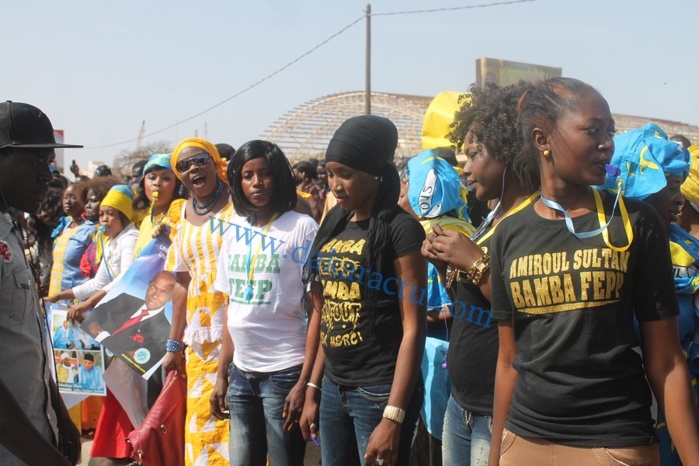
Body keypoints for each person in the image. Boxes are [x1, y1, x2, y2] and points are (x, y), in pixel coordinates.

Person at [487, 77, 699, 466]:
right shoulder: (509, 235)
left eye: (610, 131)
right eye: (593, 130)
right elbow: (508, 360)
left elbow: (667, 362)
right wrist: (499, 453)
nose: (607, 143)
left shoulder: (635, 222)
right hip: (524, 440)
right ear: (542, 139)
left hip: (613, 444)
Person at [299, 115, 427, 466]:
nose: (336, 185)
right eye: (330, 173)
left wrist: (393, 416)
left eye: (346, 173)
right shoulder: (335, 223)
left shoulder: (401, 231)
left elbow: (414, 328)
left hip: (379, 390)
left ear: (375, 173)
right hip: (334, 387)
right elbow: (329, 315)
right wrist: (313, 388)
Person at [421, 82, 537, 466]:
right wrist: (445, 266)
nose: (465, 168)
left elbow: (529, 312)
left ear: (509, 153)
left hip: (499, 408)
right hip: (463, 403)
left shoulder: (534, 221)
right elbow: (473, 308)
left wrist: (474, 263)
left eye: (474, 155)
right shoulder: (492, 216)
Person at [209, 140, 319, 465]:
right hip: (241, 373)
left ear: (279, 178)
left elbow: (318, 312)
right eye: (247, 175)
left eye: (265, 173)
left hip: (284, 373)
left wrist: (304, 383)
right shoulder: (233, 232)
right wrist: (221, 374)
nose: (257, 182)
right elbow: (233, 307)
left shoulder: (301, 228)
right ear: (238, 183)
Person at [600, 124, 694, 466]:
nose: (679, 200)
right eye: (670, 188)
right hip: (636, 417)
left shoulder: (687, 250)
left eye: (680, 188)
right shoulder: (609, 254)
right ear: (636, 189)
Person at [0, 100, 82, 465]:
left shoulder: (11, 225)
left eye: (49, 162)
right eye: (35, 162)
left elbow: (25, 339)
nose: (48, 175)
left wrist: (58, 413)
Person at [163, 137, 235, 465]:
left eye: (200, 160)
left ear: (215, 162)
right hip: (199, 342)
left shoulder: (241, 205)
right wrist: (173, 345)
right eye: (183, 165)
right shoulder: (181, 215)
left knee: (238, 427)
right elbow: (180, 284)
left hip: (239, 332)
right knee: (202, 427)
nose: (193, 168)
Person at [46, 184, 139, 321]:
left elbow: (126, 276)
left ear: (124, 216)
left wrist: (88, 302)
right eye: (101, 214)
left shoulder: (130, 238)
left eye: (111, 214)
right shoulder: (110, 241)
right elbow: (98, 283)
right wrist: (59, 296)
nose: (104, 219)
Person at [131, 152, 186, 258]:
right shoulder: (146, 221)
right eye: (152, 177)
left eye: (166, 178)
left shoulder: (179, 219)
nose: (157, 183)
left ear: (177, 185)